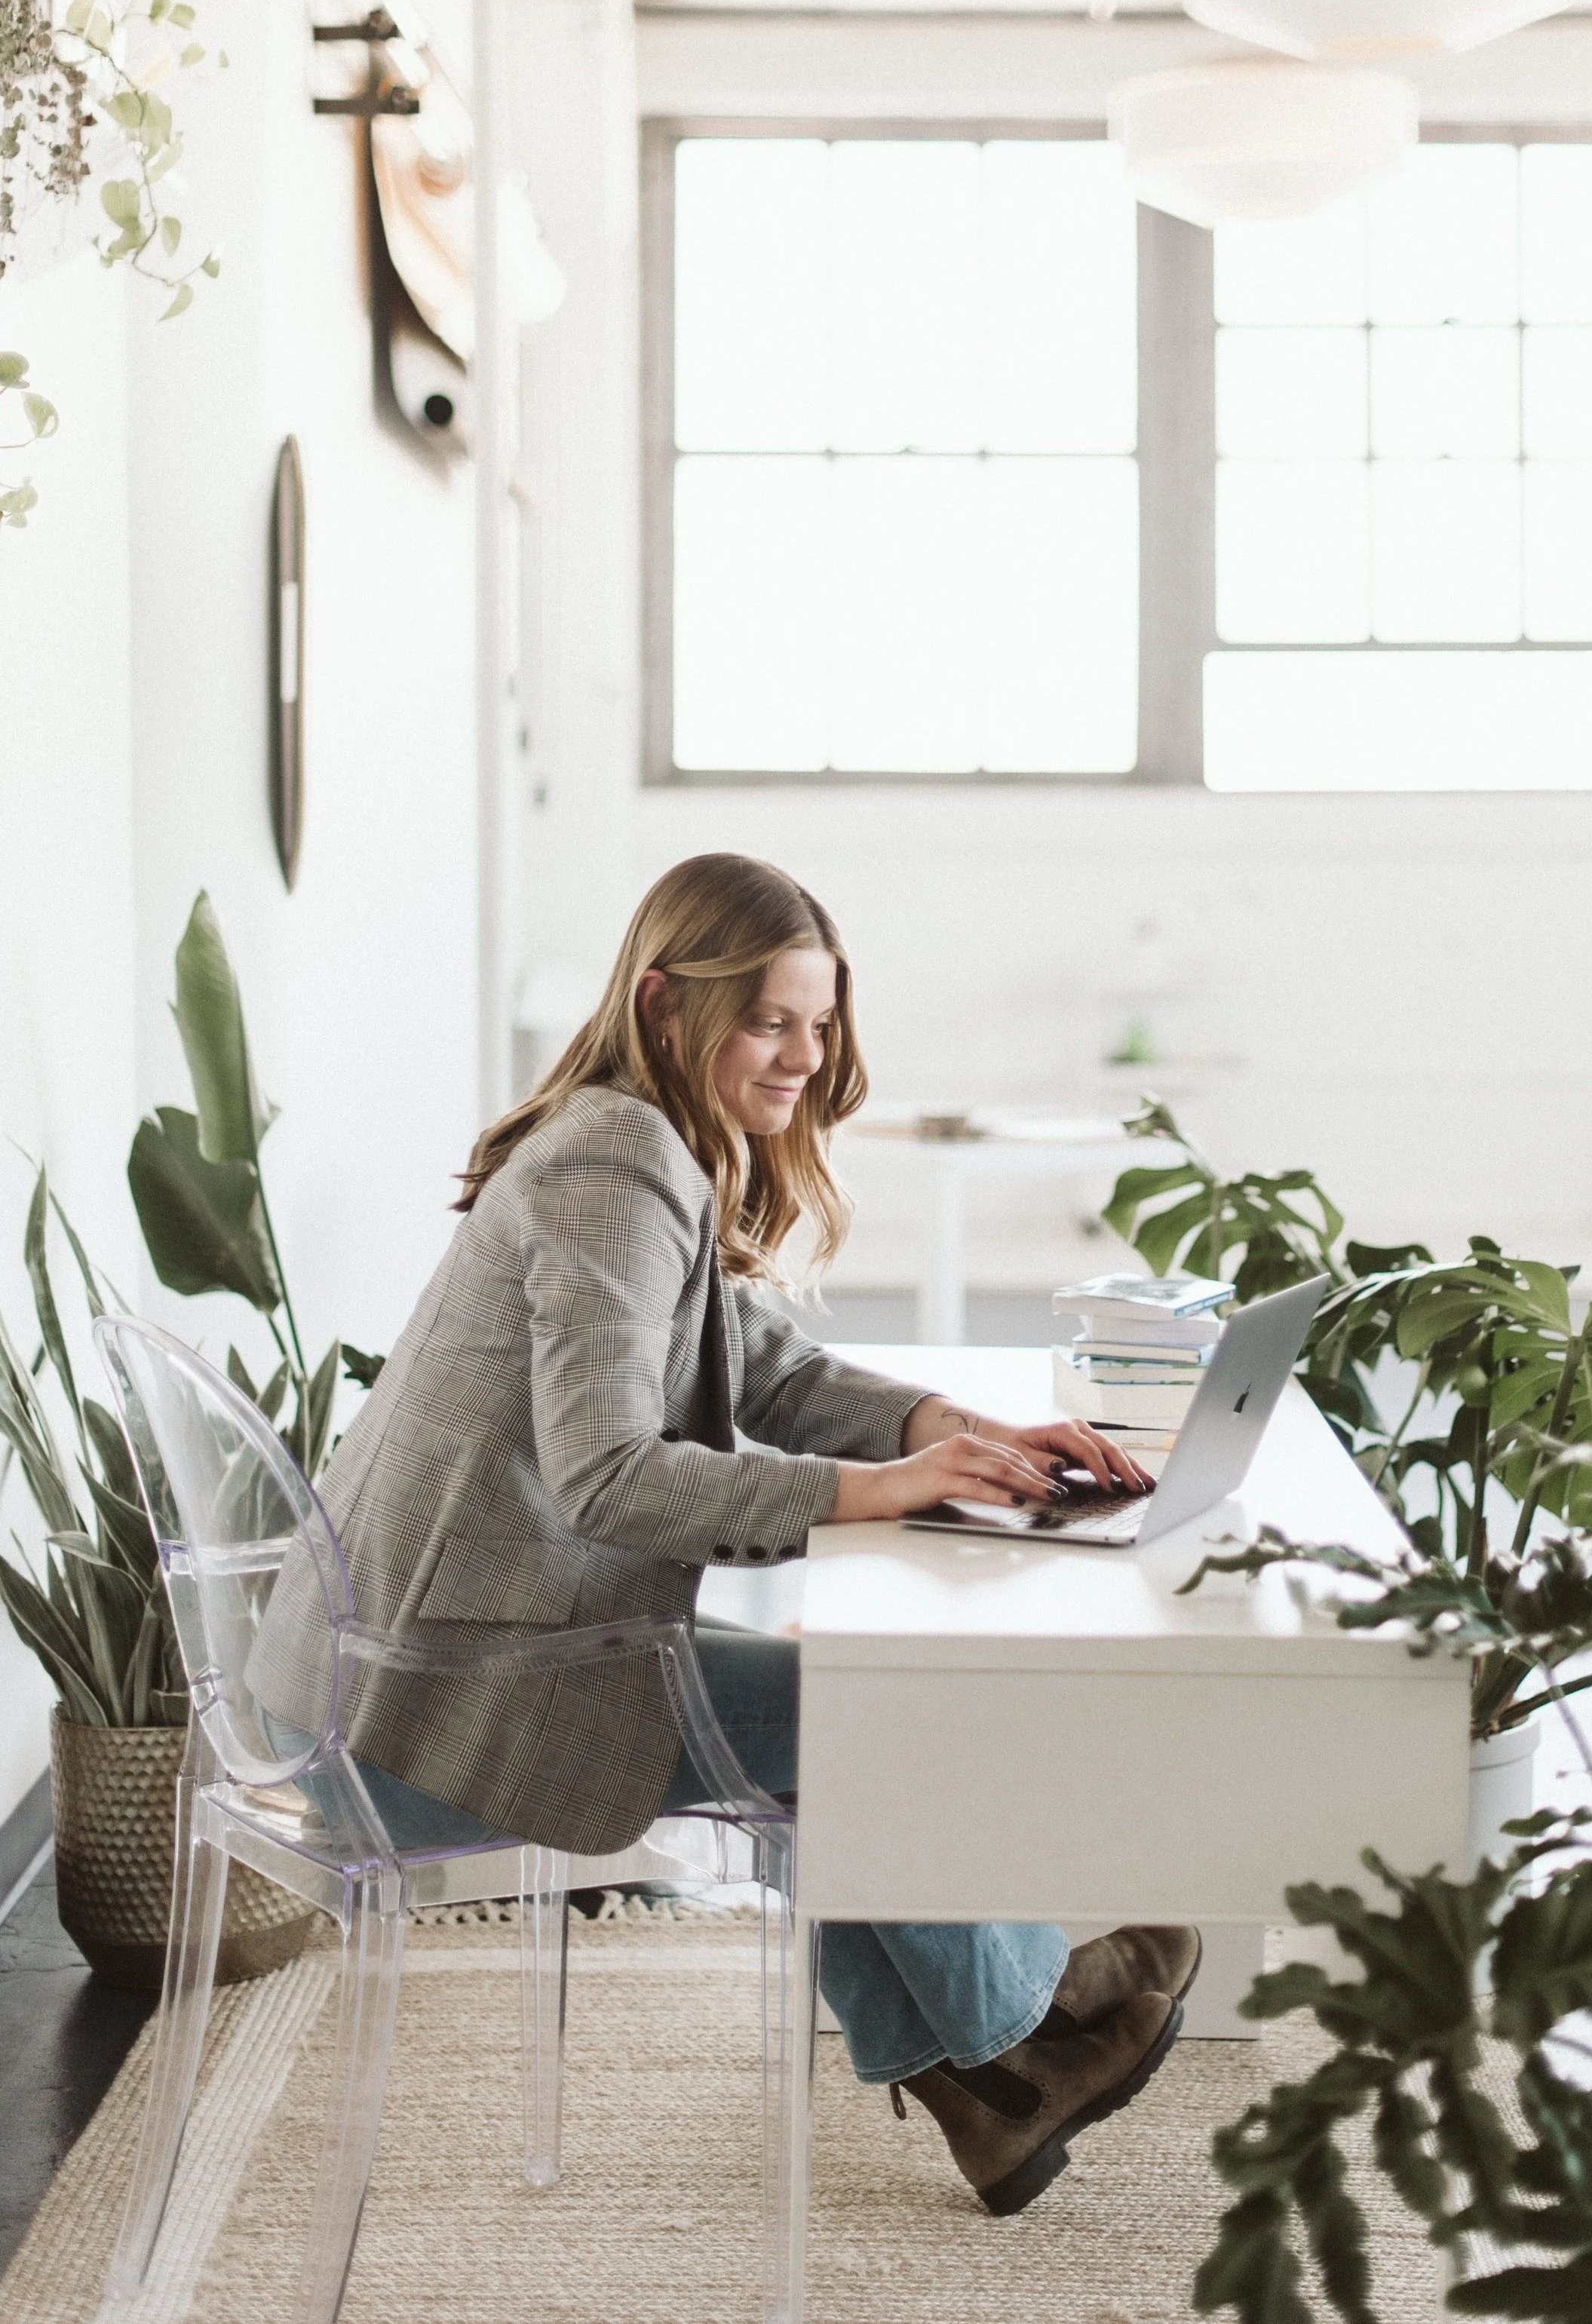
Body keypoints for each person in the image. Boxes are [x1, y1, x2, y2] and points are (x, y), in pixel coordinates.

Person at [250, 852, 1198, 2216]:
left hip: (388, 1671)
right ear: (665, 1005)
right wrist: (872, 1492)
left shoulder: (633, 1140)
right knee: (863, 1716)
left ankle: (992, 2079)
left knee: (835, 1727)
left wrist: (957, 1427)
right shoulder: (612, 1165)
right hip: (417, 1712)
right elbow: (606, 1478)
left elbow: (755, 1361)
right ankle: (1023, 2027)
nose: (807, 1057)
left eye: (821, 1025)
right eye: (774, 1023)